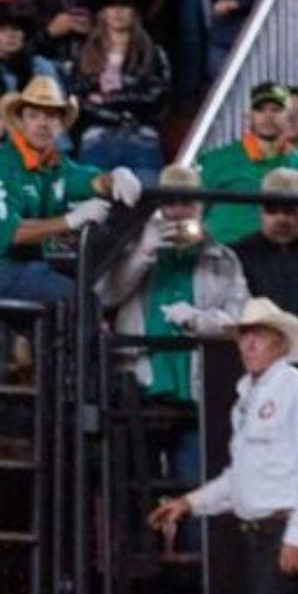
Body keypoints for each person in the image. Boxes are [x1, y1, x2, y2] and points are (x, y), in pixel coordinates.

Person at [98, 164, 250, 514]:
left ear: (201, 208)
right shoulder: (135, 246)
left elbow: (240, 320)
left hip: (197, 394)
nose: (179, 212)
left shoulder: (223, 258)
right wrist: (142, 253)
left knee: (195, 489)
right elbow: (107, 295)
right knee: (133, 492)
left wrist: (200, 321)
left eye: (188, 203)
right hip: (139, 387)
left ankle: (189, 552)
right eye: (171, 203)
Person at [0, 75, 143, 302]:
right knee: (77, 298)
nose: (42, 123)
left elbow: (92, 181)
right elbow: (12, 233)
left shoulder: (57, 166)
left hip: (21, 268)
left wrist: (116, 176)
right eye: (33, 115)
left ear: (60, 124)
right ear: (21, 122)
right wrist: (71, 220)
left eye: (51, 116)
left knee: (84, 285)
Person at [149, 297, 298, 594]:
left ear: (280, 344)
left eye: (260, 335)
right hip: (260, 537)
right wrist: (190, 503)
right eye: (244, 335)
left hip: (281, 533)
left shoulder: (292, 389)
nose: (249, 345)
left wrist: (295, 539)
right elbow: (240, 476)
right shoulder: (247, 398)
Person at [69, 0, 170, 186]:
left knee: (147, 200)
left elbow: (157, 97)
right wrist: (118, 110)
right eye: (111, 6)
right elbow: (77, 98)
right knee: (92, 200)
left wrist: (107, 100)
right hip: (97, 135)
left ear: (134, 13)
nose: (117, 12)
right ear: (102, 13)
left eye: (124, 6)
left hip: (140, 134)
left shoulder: (153, 53)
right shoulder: (84, 52)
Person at [198, 83, 298, 244]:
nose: (268, 116)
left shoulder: (295, 162)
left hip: (283, 254)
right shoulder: (216, 160)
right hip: (225, 253)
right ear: (248, 116)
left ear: (289, 117)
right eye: (260, 109)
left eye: (276, 109)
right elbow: (192, 212)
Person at [234, 168, 298, 315]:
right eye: (272, 209)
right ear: (260, 211)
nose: (281, 218)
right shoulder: (238, 254)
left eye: (290, 209)